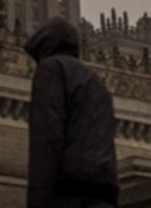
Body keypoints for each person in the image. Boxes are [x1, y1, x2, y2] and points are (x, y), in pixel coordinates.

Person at [24, 16, 119, 208]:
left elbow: (47, 140)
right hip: (103, 195)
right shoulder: (95, 81)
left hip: (69, 196)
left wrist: (37, 201)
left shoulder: (52, 69)